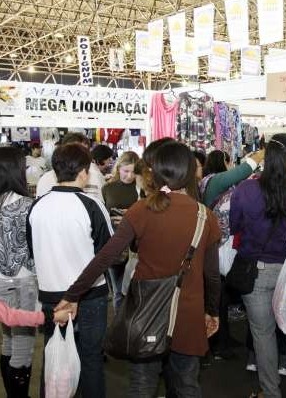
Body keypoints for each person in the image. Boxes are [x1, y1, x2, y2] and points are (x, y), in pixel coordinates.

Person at [55, 142, 222, 398]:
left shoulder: (142, 209)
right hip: (187, 315)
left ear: (153, 172)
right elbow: (211, 274)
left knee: (142, 386)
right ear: (189, 172)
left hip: (146, 312)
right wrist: (212, 311)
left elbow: (106, 256)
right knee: (187, 385)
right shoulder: (205, 216)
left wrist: (72, 294)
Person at [230, 133, 286, 398]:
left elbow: (235, 227)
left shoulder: (245, 189)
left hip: (256, 271)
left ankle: (270, 392)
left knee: (262, 334)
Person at [27, 143, 114, 398]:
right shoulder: (92, 205)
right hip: (90, 296)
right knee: (90, 360)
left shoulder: (37, 206)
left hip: (51, 296)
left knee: (54, 359)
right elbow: (106, 254)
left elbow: (33, 252)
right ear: (85, 172)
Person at [199, 149, 264, 360]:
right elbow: (244, 170)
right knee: (217, 295)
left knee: (221, 295)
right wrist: (261, 153)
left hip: (219, 244)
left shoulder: (210, 183)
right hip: (218, 246)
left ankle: (221, 339)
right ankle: (217, 342)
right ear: (225, 162)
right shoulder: (215, 182)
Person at [0, 147, 37, 397]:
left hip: (1, 282)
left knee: (8, 341)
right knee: (23, 347)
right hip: (24, 282)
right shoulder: (28, 205)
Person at [102, 151, 140, 311]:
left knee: (135, 292)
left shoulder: (142, 190)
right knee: (118, 292)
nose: (129, 176)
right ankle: (120, 329)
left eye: (133, 172)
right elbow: (103, 214)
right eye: (126, 171)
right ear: (119, 169)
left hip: (138, 246)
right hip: (115, 245)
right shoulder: (108, 188)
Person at [36, 132, 106, 202]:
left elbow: (100, 204)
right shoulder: (45, 179)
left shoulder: (95, 176)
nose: (82, 157)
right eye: (76, 152)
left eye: (85, 152)